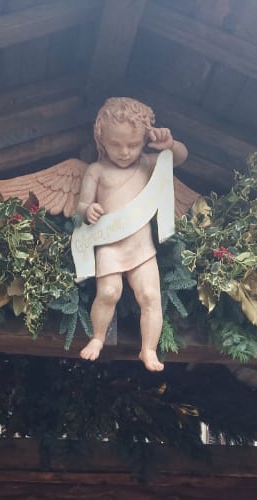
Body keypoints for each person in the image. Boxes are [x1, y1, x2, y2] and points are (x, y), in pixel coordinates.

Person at [75, 97, 187, 372]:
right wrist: (88, 210)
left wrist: (169, 145)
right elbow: (81, 206)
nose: (124, 152)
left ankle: (148, 349)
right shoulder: (97, 170)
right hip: (109, 244)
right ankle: (97, 337)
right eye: (115, 144)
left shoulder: (147, 164)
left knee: (150, 296)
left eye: (133, 144)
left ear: (145, 140)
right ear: (101, 139)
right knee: (108, 292)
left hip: (141, 247)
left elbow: (179, 158)